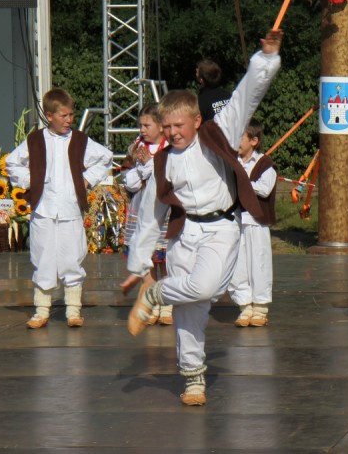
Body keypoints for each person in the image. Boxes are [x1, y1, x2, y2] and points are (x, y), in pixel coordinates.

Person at [126, 29, 282, 406]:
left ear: (196, 121)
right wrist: (138, 260)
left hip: (222, 229)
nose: (172, 132)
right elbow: (152, 213)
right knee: (189, 312)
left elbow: (246, 96)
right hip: (185, 233)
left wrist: (265, 60)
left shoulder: (218, 134)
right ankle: (192, 377)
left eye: (178, 126)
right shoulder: (163, 161)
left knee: (206, 289)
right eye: (167, 127)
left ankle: (156, 294)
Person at [6, 88, 113, 329]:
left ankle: (73, 310)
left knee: (71, 257)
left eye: (71, 115)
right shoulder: (35, 140)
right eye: (63, 116)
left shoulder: (79, 140)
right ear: (49, 115)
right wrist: (31, 179)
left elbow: (105, 158)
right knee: (43, 256)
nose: (69, 120)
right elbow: (12, 162)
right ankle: (41, 310)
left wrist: (88, 179)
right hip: (43, 209)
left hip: (70, 208)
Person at [119, 102, 172, 325]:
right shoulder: (137, 149)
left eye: (147, 125)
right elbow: (128, 181)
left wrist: (151, 166)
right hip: (142, 207)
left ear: (161, 126)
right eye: (140, 125)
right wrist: (139, 171)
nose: (142, 130)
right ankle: (150, 303)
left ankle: (167, 304)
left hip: (165, 208)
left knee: (166, 261)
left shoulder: (170, 148)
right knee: (148, 260)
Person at [227, 118, 277, 327]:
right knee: (238, 265)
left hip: (256, 222)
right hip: (235, 221)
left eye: (241, 136)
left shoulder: (266, 165)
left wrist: (243, 181)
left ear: (254, 140)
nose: (236, 141)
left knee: (259, 263)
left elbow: (264, 189)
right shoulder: (231, 163)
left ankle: (260, 307)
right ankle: (244, 306)